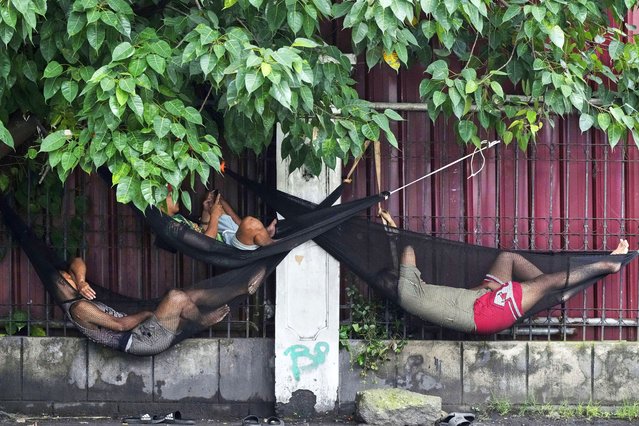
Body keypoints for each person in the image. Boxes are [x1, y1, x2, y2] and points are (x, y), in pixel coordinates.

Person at [396, 239, 631, 334]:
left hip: (480, 299)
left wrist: (485, 290)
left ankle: (557, 291)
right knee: (545, 282)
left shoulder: (417, 291)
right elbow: (408, 250)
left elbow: (455, 301)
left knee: (508, 258)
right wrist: (397, 236)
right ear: (396, 282)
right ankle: (608, 264)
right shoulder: (407, 293)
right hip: (485, 314)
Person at [59, 257, 266, 355]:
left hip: (144, 331)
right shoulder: (78, 308)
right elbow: (120, 325)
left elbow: (77, 261)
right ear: (62, 287)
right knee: (176, 297)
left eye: (71, 275)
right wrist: (149, 313)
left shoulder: (79, 288)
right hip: (141, 340)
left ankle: (242, 288)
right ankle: (202, 321)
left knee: (191, 295)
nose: (72, 277)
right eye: (68, 278)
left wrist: (81, 280)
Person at [165, 188, 277, 251]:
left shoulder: (177, 219)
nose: (175, 197)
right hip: (229, 248)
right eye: (170, 195)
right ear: (160, 204)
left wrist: (206, 212)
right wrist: (214, 215)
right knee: (250, 223)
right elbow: (205, 243)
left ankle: (263, 235)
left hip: (228, 238)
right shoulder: (172, 225)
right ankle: (271, 244)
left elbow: (201, 232)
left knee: (216, 200)